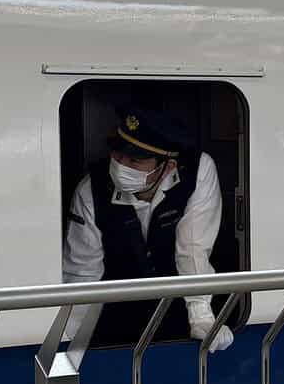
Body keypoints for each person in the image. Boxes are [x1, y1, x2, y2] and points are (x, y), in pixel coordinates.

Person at [63, 104, 234, 351]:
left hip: (177, 310)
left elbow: (193, 250)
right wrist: (71, 345)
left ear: (168, 166)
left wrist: (202, 317)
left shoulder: (197, 172)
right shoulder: (90, 191)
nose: (121, 165)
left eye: (135, 160)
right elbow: (82, 275)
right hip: (117, 316)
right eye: (118, 153)